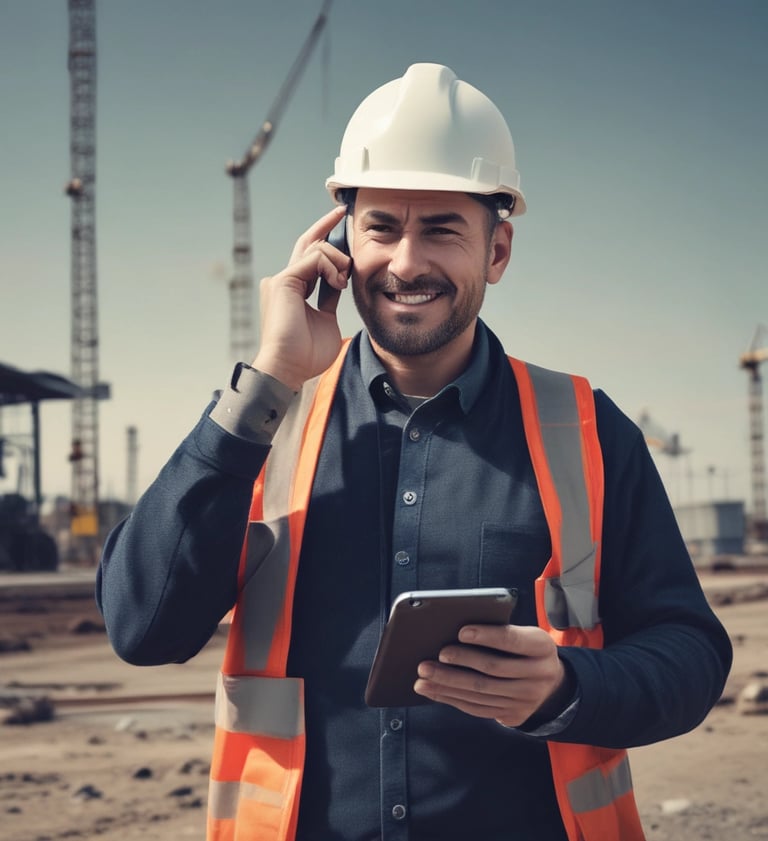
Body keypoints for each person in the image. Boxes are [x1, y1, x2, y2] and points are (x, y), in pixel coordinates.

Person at [96, 63, 732, 841]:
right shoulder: (265, 421)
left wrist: (570, 685)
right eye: (382, 227)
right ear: (339, 242)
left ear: (497, 251)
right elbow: (142, 627)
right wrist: (268, 377)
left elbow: (691, 654)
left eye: (441, 228)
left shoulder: (587, 431)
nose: (404, 262)